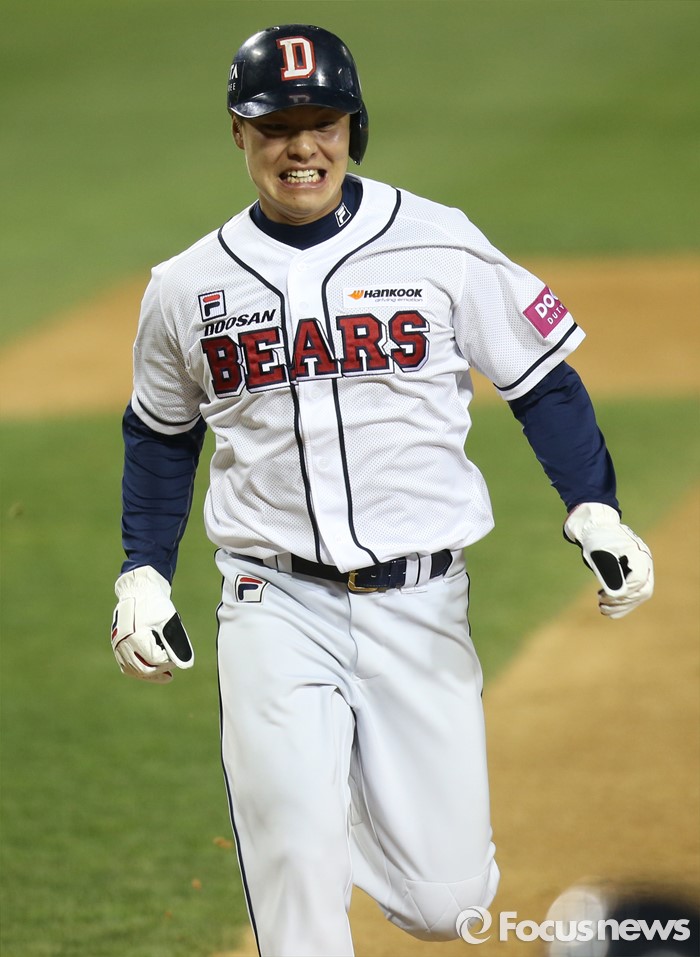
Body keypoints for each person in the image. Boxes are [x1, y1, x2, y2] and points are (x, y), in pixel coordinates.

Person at [110, 23, 654, 956]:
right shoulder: (184, 287)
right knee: (294, 865)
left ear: (354, 129)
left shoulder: (438, 241)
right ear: (239, 133)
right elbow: (159, 434)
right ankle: (307, 815)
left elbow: (542, 382)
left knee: (449, 905)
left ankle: (342, 806)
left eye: (321, 124)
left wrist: (594, 506)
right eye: (276, 126)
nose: (301, 148)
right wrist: (144, 571)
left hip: (423, 602)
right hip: (272, 600)